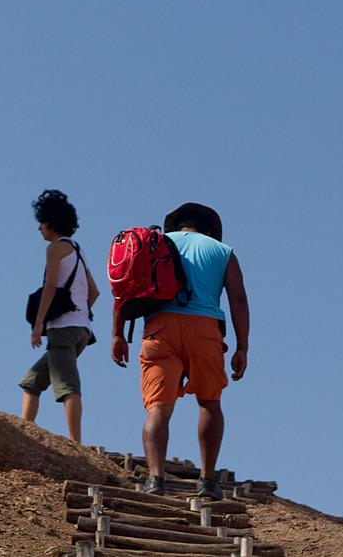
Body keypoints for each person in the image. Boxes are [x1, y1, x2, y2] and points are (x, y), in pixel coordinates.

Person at [112, 201, 250, 497]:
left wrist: (118, 335)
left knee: (158, 409)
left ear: (176, 225)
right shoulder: (222, 251)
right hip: (205, 330)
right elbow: (238, 299)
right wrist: (242, 347)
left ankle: (155, 479)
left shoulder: (158, 243)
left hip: (160, 328)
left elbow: (125, 286)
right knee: (209, 403)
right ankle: (208, 481)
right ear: (209, 229)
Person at [18, 189, 100, 443]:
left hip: (63, 329)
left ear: (51, 223)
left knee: (67, 386)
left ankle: (76, 443)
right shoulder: (78, 250)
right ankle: (23, 431)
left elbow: (50, 286)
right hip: (81, 330)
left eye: (41, 222)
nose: (39, 228)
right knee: (31, 382)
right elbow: (95, 291)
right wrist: (80, 311)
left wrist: (39, 323)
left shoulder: (55, 249)